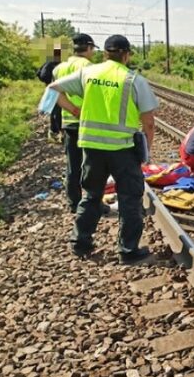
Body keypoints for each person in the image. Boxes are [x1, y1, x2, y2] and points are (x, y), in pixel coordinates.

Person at [49, 34, 158, 264]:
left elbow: (52, 89)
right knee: (129, 199)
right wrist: (146, 149)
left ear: (104, 53)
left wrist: (74, 110)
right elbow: (148, 121)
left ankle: (80, 243)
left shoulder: (88, 73)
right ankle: (128, 251)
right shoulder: (134, 80)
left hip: (91, 147)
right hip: (123, 149)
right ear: (126, 55)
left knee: (91, 195)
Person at [52, 33, 98, 213]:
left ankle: (73, 203)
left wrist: (71, 109)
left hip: (68, 122)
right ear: (88, 48)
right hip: (87, 122)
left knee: (73, 164)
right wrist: (79, 111)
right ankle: (91, 202)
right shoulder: (90, 67)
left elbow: (54, 93)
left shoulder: (59, 68)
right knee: (92, 165)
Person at [36, 47, 63, 137]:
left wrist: (47, 82)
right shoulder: (59, 64)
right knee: (58, 110)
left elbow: (39, 73)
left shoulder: (47, 63)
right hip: (58, 88)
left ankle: (53, 130)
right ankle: (59, 131)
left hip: (49, 88)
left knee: (53, 109)